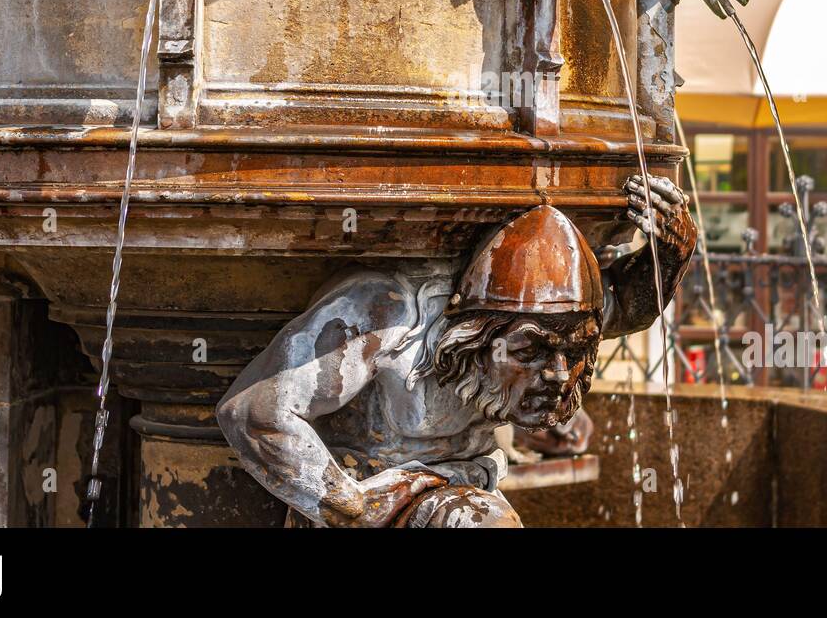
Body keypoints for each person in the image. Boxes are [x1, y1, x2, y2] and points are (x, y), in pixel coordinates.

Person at [216, 176, 696, 527]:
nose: (557, 375)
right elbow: (255, 412)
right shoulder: (390, 317)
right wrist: (346, 505)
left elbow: (631, 307)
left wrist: (672, 251)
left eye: (575, 353)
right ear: (473, 337)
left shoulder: (559, 323)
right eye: (528, 353)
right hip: (367, 495)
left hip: (462, 489)